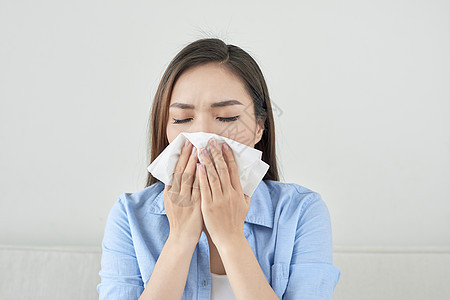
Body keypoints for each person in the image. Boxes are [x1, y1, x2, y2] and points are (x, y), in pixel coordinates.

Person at [97, 38, 341, 300]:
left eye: (227, 117)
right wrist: (180, 238)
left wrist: (230, 237)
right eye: (182, 119)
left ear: (260, 127)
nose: (203, 134)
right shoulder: (130, 217)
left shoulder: (300, 212)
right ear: (164, 128)